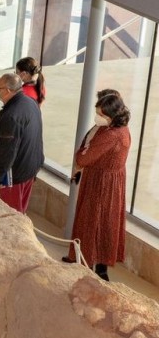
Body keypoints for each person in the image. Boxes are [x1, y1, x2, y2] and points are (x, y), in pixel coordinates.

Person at [63, 92, 131, 281]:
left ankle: (87, 264)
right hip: (109, 181)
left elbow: (83, 158)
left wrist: (81, 152)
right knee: (104, 223)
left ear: (111, 116)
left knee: (92, 222)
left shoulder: (110, 135)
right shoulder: (120, 128)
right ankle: (96, 265)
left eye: (101, 114)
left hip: (101, 184)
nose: (97, 117)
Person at [0, 73, 45, 213]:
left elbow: (8, 150)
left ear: (7, 90)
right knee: (20, 210)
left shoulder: (12, 115)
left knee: (10, 214)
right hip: (29, 167)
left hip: (14, 174)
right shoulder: (30, 102)